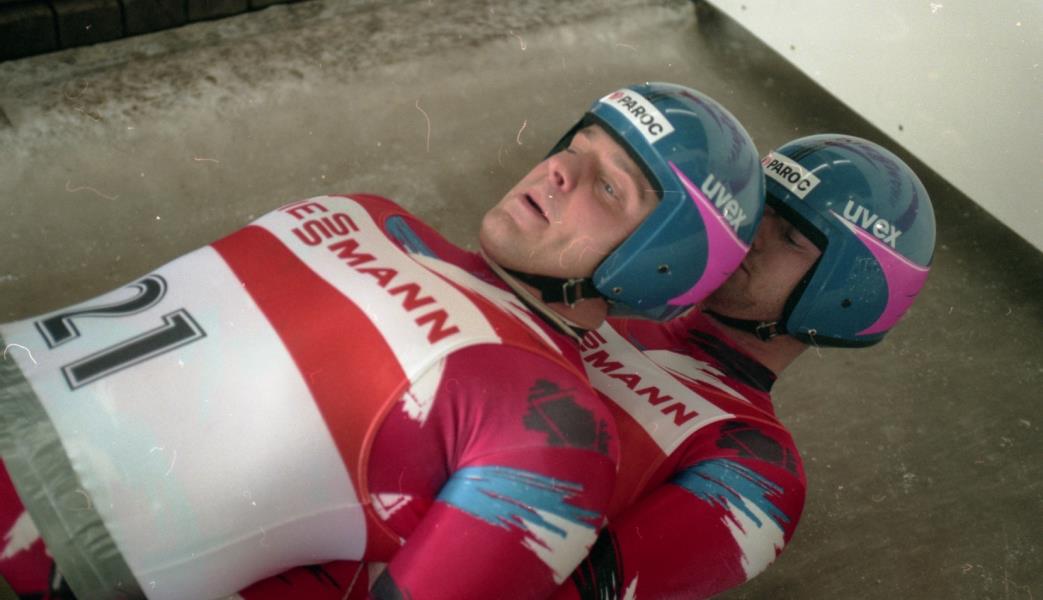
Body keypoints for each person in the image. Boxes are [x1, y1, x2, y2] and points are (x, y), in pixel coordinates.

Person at [0, 82, 765, 600]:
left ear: (664, 260)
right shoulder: (553, 427)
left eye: (607, 185)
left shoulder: (362, 212)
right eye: (578, 146)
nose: (559, 168)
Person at [231, 133, 937, 600]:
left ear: (848, 293)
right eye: (757, 211)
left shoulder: (756, 467)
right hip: (253, 504)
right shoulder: (589, 295)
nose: (750, 234)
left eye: (789, 236)